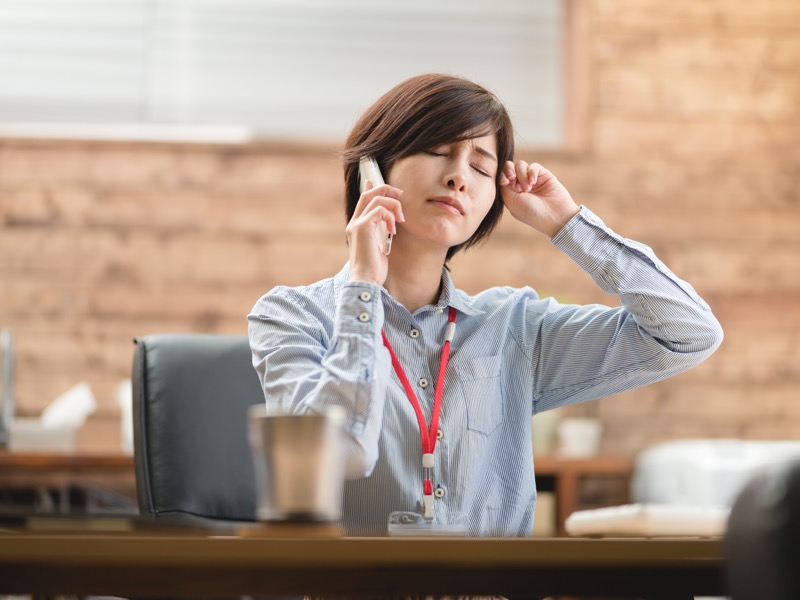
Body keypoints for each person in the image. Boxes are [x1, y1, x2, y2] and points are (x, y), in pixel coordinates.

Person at [248, 73, 723, 537]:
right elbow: (342, 451)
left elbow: (689, 334)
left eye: (481, 167)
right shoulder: (292, 316)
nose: (458, 176)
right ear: (374, 171)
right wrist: (364, 288)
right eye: (437, 151)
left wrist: (569, 224)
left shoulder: (515, 327)